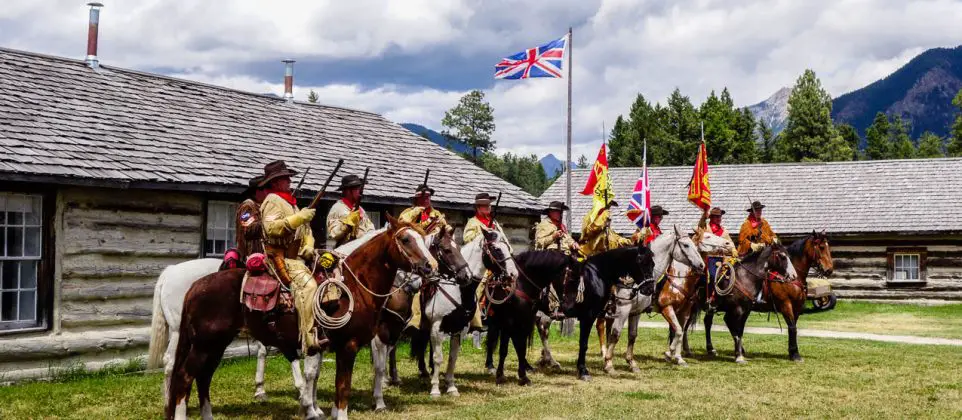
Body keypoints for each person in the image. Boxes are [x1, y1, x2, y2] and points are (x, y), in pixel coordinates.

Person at [258, 160, 326, 353]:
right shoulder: (272, 200)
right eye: (284, 178)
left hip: (297, 257)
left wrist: (309, 244)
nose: (289, 180)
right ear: (275, 182)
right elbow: (271, 228)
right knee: (309, 286)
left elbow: (305, 230)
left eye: (288, 177)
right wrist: (299, 218)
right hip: (280, 258)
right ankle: (309, 338)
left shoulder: (290, 203)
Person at [400, 183, 449, 332]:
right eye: (423, 197)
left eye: (428, 197)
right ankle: (414, 320)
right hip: (415, 256)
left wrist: (446, 228)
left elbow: (445, 231)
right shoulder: (408, 212)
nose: (427, 200)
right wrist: (416, 213)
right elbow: (401, 224)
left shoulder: (437, 215)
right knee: (416, 282)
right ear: (416, 199)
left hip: (434, 255)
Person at [462, 193, 511, 332]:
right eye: (486, 205)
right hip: (480, 261)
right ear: (478, 208)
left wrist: (508, 251)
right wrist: (484, 234)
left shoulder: (494, 222)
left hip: (497, 260)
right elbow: (467, 238)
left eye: (489, 205)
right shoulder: (473, 222)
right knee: (480, 284)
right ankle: (474, 316)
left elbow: (503, 239)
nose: (489, 207)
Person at [534, 201, 579, 319]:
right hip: (550, 254)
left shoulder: (561, 226)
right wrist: (553, 237)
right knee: (557, 273)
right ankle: (553, 305)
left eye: (560, 212)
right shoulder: (543, 225)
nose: (558, 214)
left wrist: (573, 243)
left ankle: (576, 300)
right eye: (556, 211)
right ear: (550, 212)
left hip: (565, 255)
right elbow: (539, 242)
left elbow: (568, 239)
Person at [697, 207, 737, 306]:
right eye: (716, 216)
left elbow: (730, 243)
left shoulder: (724, 231)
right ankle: (710, 297)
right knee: (713, 275)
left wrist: (733, 249)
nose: (719, 218)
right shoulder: (705, 228)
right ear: (711, 217)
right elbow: (700, 226)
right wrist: (703, 216)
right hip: (708, 258)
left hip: (722, 259)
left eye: (720, 216)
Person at [326, 174, 375, 248]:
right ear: (348, 191)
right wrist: (347, 225)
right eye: (357, 189)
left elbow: (370, 229)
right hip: (344, 251)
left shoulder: (361, 209)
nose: (359, 192)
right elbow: (334, 234)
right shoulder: (337, 208)